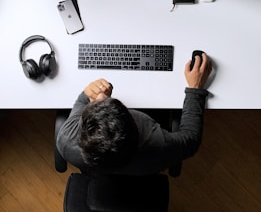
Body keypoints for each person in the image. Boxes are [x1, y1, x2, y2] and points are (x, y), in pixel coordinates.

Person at [56, 53, 212, 176]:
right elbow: (191, 139)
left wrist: (87, 94)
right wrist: (195, 88)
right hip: (145, 169)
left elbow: (82, 102)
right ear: (135, 124)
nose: (101, 96)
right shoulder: (158, 145)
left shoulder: (66, 141)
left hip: (99, 173)